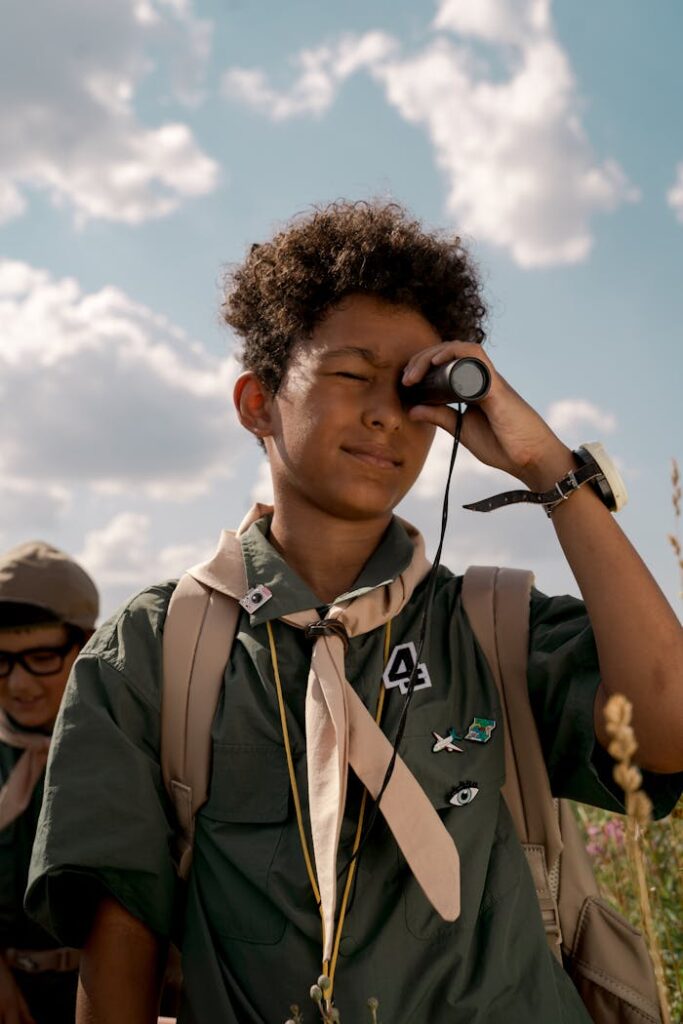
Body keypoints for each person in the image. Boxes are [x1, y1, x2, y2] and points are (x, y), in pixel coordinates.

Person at [25, 202, 683, 1024]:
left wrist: (549, 471)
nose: (383, 412)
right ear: (257, 403)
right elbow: (119, 945)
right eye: (349, 374)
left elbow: (668, 727)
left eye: (413, 386)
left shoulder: (492, 626)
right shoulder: (156, 653)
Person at [0, 540, 98, 1024]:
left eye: (40, 657)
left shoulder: (127, 748)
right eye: (1, 660)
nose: (18, 684)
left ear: (86, 645)